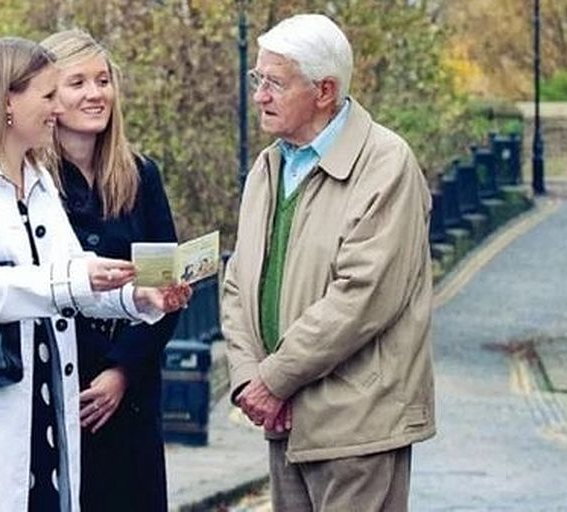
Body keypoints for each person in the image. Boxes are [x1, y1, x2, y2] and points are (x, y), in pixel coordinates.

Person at [0, 37, 189, 512]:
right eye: (50, 94)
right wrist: (76, 282)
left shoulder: (36, 180)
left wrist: (139, 300)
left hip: (46, 403)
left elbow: (75, 272)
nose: (58, 109)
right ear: (7, 100)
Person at [221, 14, 435, 511]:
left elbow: (362, 297)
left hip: (357, 424)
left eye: (273, 83)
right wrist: (248, 380)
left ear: (324, 91)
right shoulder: (269, 165)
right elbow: (238, 284)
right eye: (258, 80)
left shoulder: (385, 162)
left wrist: (272, 380)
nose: (259, 96)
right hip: (284, 417)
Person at [41, 29, 180, 512]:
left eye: (102, 80)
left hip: (132, 389)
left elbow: (166, 288)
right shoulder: (31, 184)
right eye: (77, 82)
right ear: (49, 97)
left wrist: (122, 371)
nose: (95, 93)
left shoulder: (142, 175)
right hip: (58, 391)